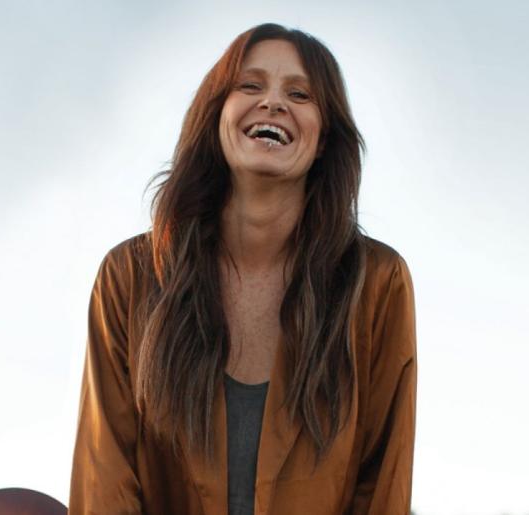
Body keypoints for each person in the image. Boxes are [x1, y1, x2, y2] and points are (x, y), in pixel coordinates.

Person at [69, 23, 417, 515]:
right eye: (250, 86)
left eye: (299, 94)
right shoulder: (130, 277)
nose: (273, 103)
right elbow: (105, 478)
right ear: (217, 117)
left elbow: (383, 483)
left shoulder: (378, 283)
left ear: (323, 140)